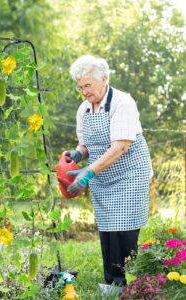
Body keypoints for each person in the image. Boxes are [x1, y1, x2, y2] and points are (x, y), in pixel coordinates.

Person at [63, 55, 152, 286]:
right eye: (80, 87)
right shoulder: (84, 110)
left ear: (104, 78)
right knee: (107, 229)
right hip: (103, 174)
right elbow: (85, 145)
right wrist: (77, 155)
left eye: (88, 85)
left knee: (125, 228)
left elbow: (120, 146)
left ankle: (127, 281)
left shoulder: (123, 103)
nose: (83, 91)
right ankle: (110, 282)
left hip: (130, 172)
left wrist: (89, 172)